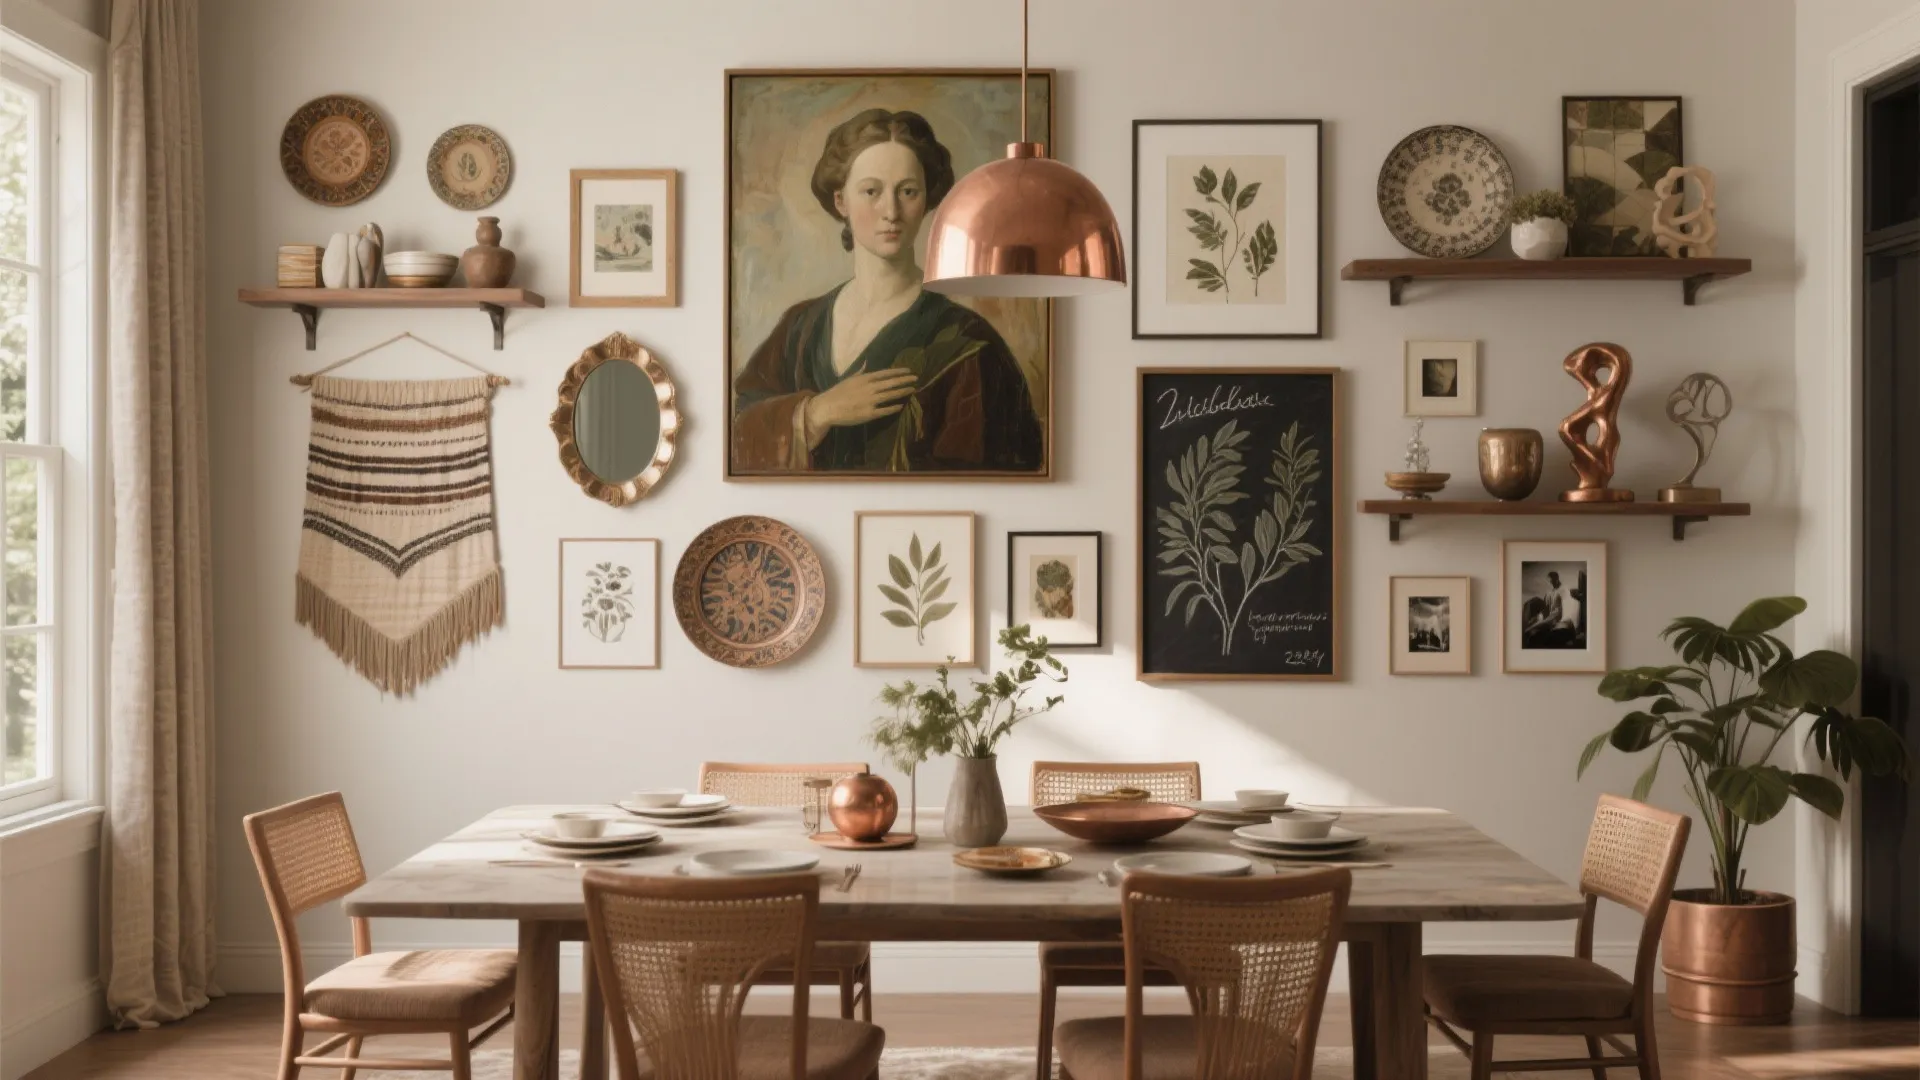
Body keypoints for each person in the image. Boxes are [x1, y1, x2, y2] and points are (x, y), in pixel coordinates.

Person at [731, 108, 1043, 473]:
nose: (891, 211)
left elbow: (1006, 476)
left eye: (908, 191)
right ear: (840, 201)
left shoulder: (970, 344)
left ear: (927, 200)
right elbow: (735, 436)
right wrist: (816, 413)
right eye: (871, 191)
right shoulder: (799, 327)